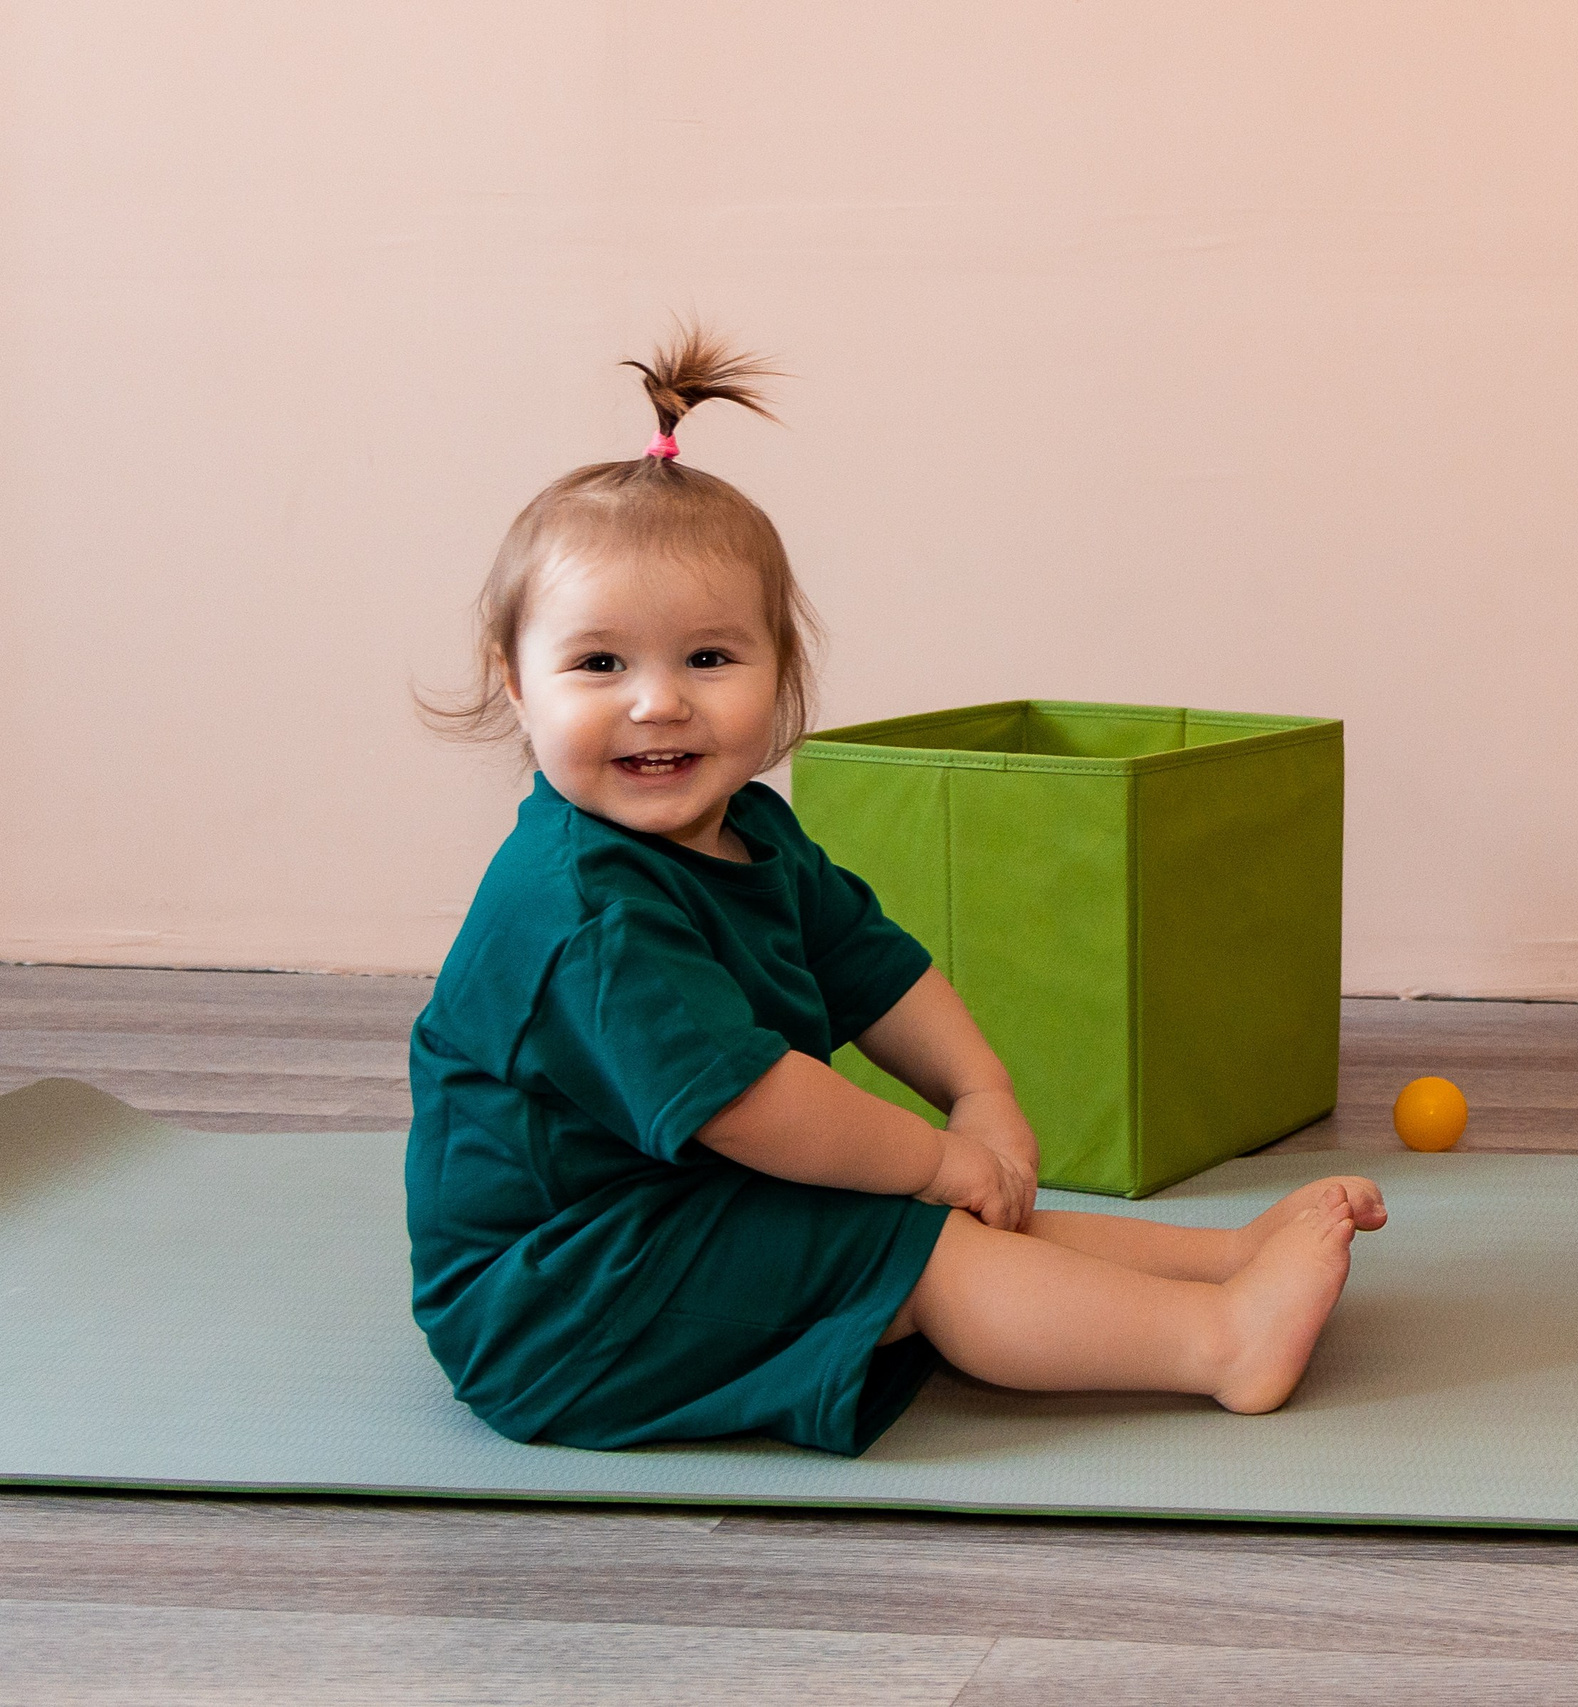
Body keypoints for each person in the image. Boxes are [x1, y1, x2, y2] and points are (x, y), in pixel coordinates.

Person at [408, 328, 1385, 1456]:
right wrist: (932, 1156)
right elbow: (753, 1105)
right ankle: (1217, 1339)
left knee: (918, 1207)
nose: (658, 704)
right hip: (559, 1304)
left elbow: (874, 964)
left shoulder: (749, 833)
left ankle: (1223, 1258)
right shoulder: (583, 913)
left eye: (710, 660)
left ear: (783, 673)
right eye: (599, 665)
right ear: (514, 687)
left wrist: (979, 1093)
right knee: (920, 1245)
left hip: (672, 1209)